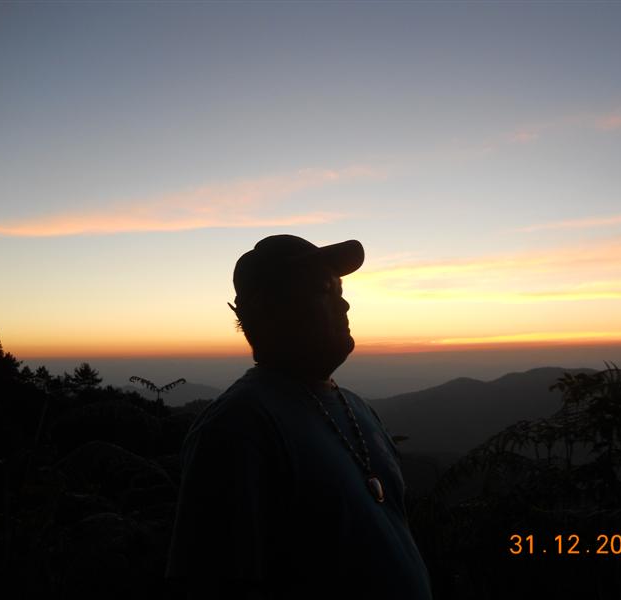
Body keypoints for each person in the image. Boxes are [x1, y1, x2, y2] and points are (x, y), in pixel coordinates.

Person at [165, 234, 433, 600]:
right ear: (270, 310)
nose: (345, 304)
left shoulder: (358, 408)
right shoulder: (237, 428)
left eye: (340, 290)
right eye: (324, 290)